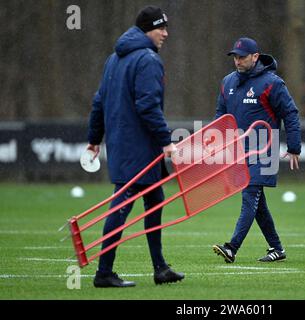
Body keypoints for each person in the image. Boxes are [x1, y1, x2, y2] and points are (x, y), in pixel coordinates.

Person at [87, 5, 184, 287]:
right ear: (146, 30)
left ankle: (160, 268)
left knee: (155, 201)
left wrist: (94, 139)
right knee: (122, 204)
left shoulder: (112, 59)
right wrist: (166, 141)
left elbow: (98, 102)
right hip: (140, 148)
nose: (166, 34)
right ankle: (104, 272)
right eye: (160, 28)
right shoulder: (148, 60)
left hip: (122, 146)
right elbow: (148, 105)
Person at [213, 37, 301, 263]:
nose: (237, 61)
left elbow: (290, 113)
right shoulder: (227, 82)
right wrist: (216, 144)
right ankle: (277, 248)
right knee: (258, 204)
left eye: (242, 57)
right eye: (235, 57)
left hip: (265, 151)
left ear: (255, 56)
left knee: (249, 195)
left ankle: (232, 247)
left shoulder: (272, 83)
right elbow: (220, 118)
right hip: (240, 152)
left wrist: (294, 146)